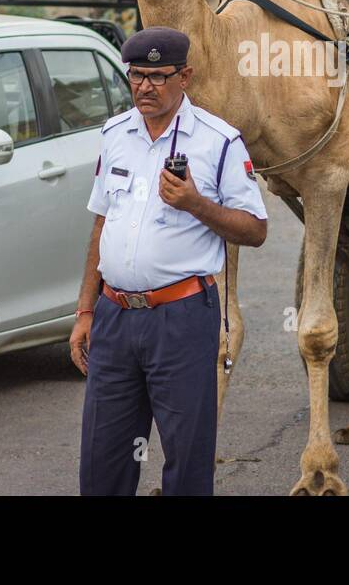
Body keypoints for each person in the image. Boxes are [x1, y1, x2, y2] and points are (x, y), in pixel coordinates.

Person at [71, 27, 268, 496]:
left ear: (185, 76)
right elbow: (101, 227)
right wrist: (85, 312)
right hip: (115, 316)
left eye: (158, 76)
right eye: (137, 75)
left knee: (186, 462)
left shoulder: (219, 142)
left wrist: (196, 203)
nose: (145, 87)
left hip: (181, 317)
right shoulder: (115, 134)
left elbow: (256, 230)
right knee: (102, 462)